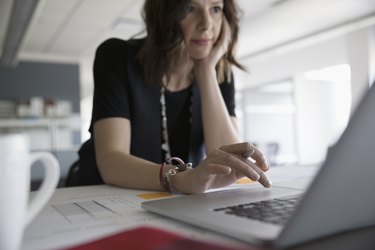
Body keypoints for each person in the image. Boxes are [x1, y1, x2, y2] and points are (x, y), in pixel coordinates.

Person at [71, 0, 272, 194]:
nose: (206, 24)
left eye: (216, 8)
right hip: (102, 195)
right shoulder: (117, 56)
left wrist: (205, 70)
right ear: (165, 13)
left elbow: (229, 166)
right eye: (190, 7)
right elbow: (112, 160)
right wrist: (178, 178)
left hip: (169, 197)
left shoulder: (220, 73)